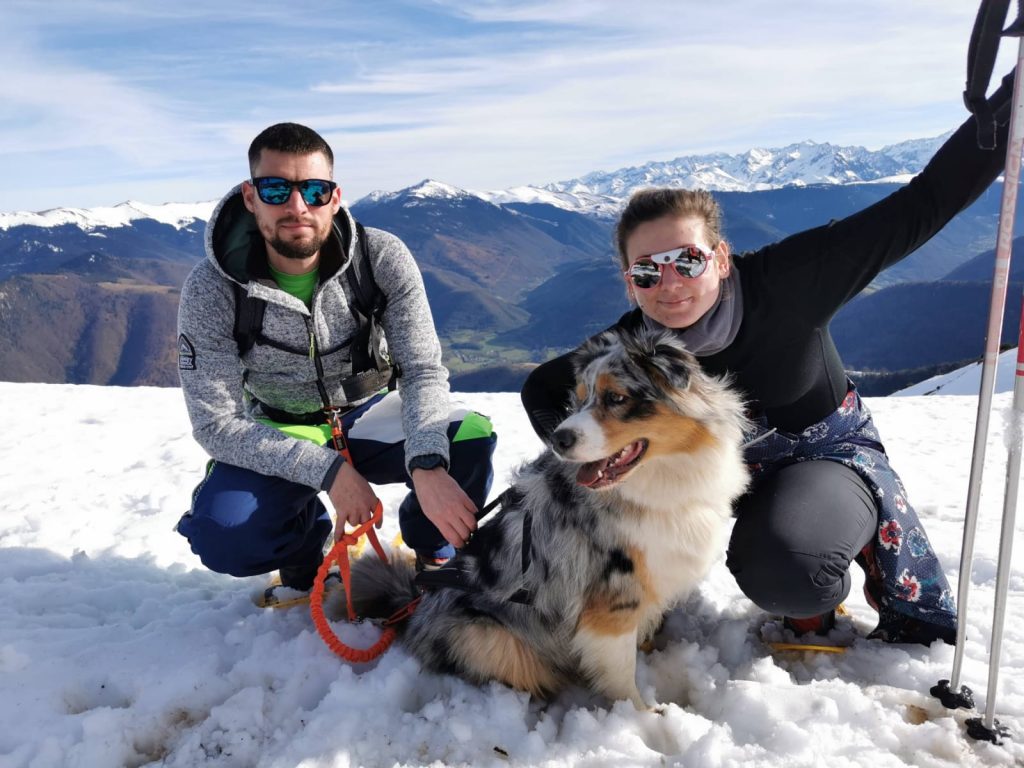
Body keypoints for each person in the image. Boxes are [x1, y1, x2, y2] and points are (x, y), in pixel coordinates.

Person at [521, 73, 1017, 645]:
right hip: (705, 475)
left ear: (722, 256)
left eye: (686, 260)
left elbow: (923, 203)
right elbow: (544, 389)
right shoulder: (632, 348)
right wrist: (608, 469)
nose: (670, 285)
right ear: (629, 282)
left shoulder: (791, 282)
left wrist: (1007, 105)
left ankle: (818, 595)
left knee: (786, 570)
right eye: (647, 271)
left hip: (818, 455)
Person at [176, 123, 496, 600]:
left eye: (314, 190)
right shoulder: (212, 288)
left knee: (468, 436)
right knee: (226, 534)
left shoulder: (380, 257)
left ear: (335, 195)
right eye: (276, 188)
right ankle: (306, 549)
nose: (297, 207)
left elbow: (422, 369)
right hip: (283, 427)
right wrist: (329, 473)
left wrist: (427, 462)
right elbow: (216, 425)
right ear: (250, 195)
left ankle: (433, 547)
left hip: (372, 412)